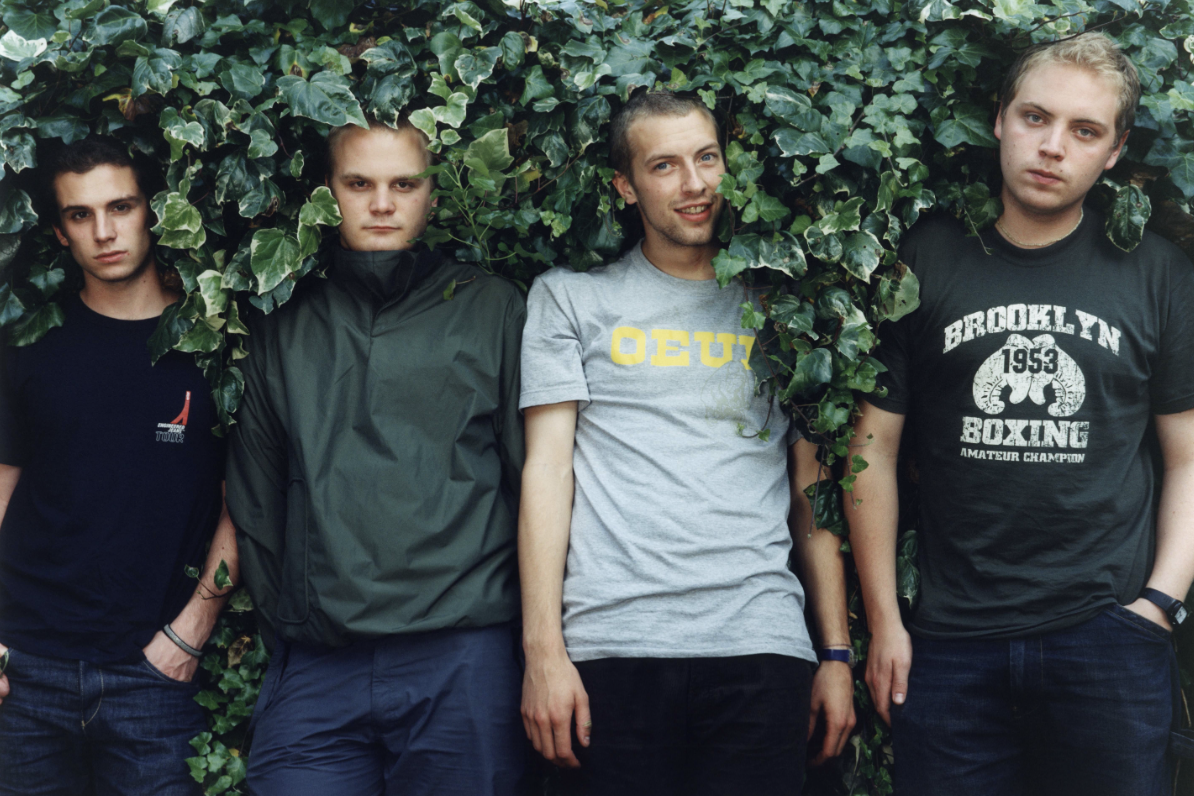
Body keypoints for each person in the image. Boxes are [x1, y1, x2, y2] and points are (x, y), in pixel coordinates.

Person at [850, 33, 1194, 795]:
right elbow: (871, 448)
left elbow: (1190, 457)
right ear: (1000, 118)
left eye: (1085, 130)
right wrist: (886, 624)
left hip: (1108, 638)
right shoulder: (927, 256)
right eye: (1036, 117)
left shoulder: (1158, 275)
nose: (1052, 146)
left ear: (1115, 152)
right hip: (948, 646)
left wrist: (1158, 605)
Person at [518, 91, 856, 795]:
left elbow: (811, 488)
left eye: (706, 158)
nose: (695, 183)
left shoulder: (782, 306)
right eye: (664, 166)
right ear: (625, 186)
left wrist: (835, 653)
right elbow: (547, 474)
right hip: (612, 645)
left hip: (759, 642)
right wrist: (543, 652)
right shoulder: (570, 299)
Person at [226, 115, 526, 796]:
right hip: (319, 661)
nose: (383, 204)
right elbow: (256, 495)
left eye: (404, 185)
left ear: (433, 197)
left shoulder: (493, 309)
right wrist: (295, 623)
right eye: (359, 184)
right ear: (328, 193)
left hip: (462, 654)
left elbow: (532, 482)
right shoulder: (282, 321)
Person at [0, 136, 237, 795]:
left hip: (152, 678)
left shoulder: (215, 348)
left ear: (152, 211)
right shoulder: (30, 345)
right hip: (25, 672)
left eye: (121, 207)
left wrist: (190, 634)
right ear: (59, 231)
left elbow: (245, 501)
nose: (104, 232)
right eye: (81, 215)